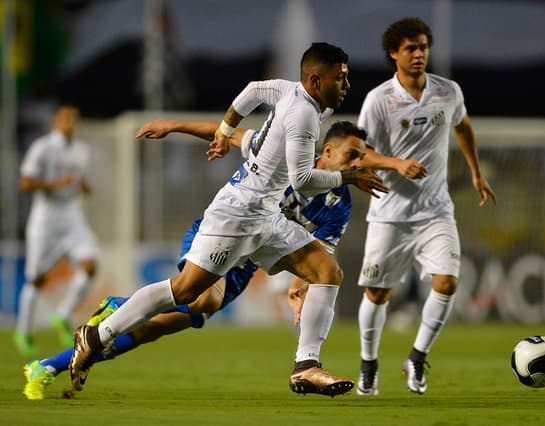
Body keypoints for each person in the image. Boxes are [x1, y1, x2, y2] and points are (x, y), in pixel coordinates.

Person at [69, 42, 389, 397]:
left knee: (327, 271)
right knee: (186, 291)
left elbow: (252, 90)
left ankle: (306, 366)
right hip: (239, 214)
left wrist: (225, 129)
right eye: (339, 79)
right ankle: (96, 335)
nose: (346, 86)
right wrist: (350, 177)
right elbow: (302, 180)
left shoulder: (288, 91)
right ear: (315, 80)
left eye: (346, 78)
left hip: (266, 214)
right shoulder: (305, 116)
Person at [23, 119, 368, 400]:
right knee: (202, 298)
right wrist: (173, 126)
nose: (357, 166)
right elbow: (228, 133)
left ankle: (47, 367)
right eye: (352, 155)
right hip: (218, 233)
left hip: (245, 265)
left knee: (154, 328)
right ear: (327, 150)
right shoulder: (290, 155)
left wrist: (299, 291)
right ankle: (117, 305)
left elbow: (317, 257)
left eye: (361, 160)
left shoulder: (340, 205)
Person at [354, 17, 496, 396]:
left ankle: (416, 358)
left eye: (423, 47)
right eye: (410, 49)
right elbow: (359, 152)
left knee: (447, 282)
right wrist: (395, 163)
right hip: (391, 214)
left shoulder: (447, 92)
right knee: (377, 295)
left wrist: (476, 172)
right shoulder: (379, 100)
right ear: (393, 54)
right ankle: (369, 365)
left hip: (436, 211)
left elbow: (462, 125)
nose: (419, 55)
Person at [14, 104, 99, 357]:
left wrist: (83, 186)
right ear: (55, 122)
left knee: (90, 265)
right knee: (36, 279)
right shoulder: (42, 148)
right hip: (46, 218)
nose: (70, 123)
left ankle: (61, 316)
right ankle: (23, 331)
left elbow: (78, 178)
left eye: (73, 119)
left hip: (71, 215)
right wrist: (53, 183)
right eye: (65, 119)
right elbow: (25, 183)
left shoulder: (81, 150)